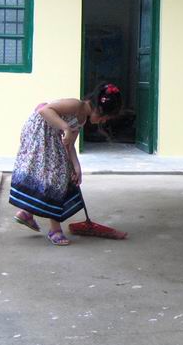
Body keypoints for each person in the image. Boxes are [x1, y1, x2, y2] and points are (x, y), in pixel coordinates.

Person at [10, 83, 122, 245]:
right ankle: (55, 230)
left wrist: (76, 166)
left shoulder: (82, 120)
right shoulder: (75, 105)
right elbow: (44, 110)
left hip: (52, 139)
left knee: (52, 176)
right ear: (98, 108)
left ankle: (27, 213)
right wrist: (66, 128)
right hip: (39, 134)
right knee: (58, 178)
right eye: (105, 117)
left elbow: (69, 145)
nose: (103, 121)